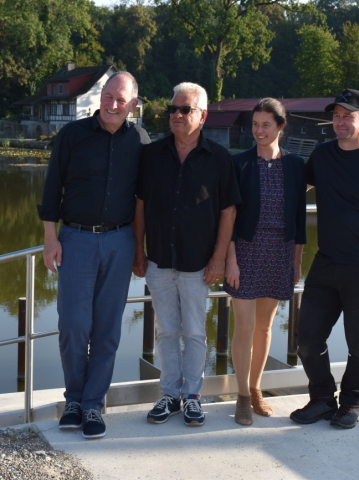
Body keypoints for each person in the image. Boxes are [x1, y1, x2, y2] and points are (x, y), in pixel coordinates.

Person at [37, 72, 149, 439]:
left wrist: (139, 247)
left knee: (107, 330)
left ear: (133, 105)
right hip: (76, 241)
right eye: (107, 96)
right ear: (100, 96)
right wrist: (50, 239)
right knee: (72, 324)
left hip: (120, 242)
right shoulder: (72, 136)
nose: (112, 104)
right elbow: (52, 187)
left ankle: (92, 405)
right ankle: (74, 398)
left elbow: (142, 201)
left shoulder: (141, 141)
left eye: (121, 99)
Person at [290, 88, 359, 429]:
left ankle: (353, 401)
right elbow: (293, 187)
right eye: (336, 116)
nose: (340, 121)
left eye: (348, 116)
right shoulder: (322, 155)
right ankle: (323, 399)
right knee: (307, 337)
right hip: (326, 263)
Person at [133, 82, 241, 427]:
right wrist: (139, 250)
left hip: (199, 263)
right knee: (165, 331)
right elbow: (140, 204)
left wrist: (219, 259)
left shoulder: (219, 158)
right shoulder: (151, 155)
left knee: (194, 331)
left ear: (203, 116)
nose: (176, 115)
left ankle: (193, 396)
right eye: (173, 109)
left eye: (185, 110)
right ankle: (169, 395)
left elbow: (228, 212)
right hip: (159, 260)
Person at [223, 98, 306, 426]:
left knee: (265, 325)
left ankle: (257, 388)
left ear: (280, 127)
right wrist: (230, 259)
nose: (258, 130)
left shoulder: (296, 165)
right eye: (255, 124)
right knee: (243, 326)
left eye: (265, 125)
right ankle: (242, 396)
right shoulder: (239, 163)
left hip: (279, 251)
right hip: (245, 250)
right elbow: (227, 216)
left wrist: (297, 261)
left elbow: (299, 216)